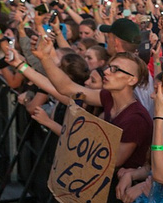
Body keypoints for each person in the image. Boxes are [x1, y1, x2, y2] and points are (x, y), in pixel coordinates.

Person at [34, 35, 152, 169]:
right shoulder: (108, 97)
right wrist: (44, 57)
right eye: (109, 67)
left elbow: (114, 160)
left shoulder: (136, 119)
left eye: (115, 69)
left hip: (120, 186)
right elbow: (66, 87)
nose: (106, 72)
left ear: (132, 80)